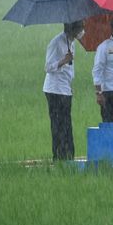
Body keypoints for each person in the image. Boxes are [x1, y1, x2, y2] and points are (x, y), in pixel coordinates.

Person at [43, 20, 85, 160]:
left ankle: (68, 155)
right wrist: (63, 61)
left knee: (66, 124)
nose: (82, 32)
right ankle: (58, 156)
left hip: (65, 89)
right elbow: (48, 67)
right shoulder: (56, 43)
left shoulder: (72, 43)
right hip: (54, 89)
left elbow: (69, 69)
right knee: (57, 124)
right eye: (80, 28)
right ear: (72, 29)